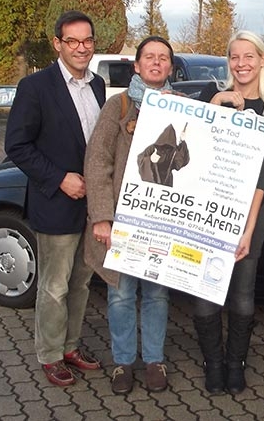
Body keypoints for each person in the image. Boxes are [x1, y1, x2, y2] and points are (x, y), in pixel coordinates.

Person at [4, 10, 105, 387]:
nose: (81, 48)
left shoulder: (97, 85)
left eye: (87, 40)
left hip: (92, 205)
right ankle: (49, 354)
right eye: (73, 41)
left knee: (80, 283)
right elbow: (17, 145)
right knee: (54, 286)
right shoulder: (36, 87)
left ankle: (70, 346)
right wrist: (60, 178)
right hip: (57, 203)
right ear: (58, 44)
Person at [84, 36, 182, 395]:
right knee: (121, 294)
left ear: (170, 66)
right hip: (124, 221)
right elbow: (97, 162)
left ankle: (154, 360)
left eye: (163, 58)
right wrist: (101, 217)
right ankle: (123, 363)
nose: (156, 62)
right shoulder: (119, 105)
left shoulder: (183, 108)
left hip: (163, 222)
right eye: (149, 57)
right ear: (137, 66)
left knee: (156, 294)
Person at [193, 30, 264, 395]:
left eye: (249, 56)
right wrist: (216, 101)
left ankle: (235, 363)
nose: (241, 63)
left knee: (242, 295)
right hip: (205, 214)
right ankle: (213, 363)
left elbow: (262, 178)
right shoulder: (211, 98)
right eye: (234, 56)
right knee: (205, 292)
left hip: (248, 217)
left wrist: (248, 228)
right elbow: (192, 145)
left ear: (261, 60)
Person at [137, 122, 189, 186]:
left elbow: (181, 162)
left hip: (167, 182)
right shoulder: (153, 148)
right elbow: (140, 158)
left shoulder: (173, 152)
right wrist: (150, 159)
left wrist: (182, 142)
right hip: (153, 178)